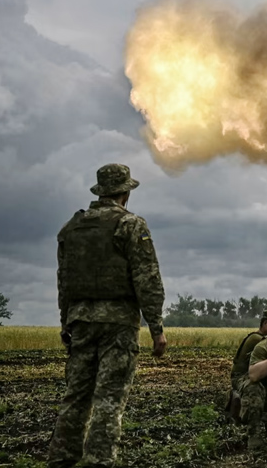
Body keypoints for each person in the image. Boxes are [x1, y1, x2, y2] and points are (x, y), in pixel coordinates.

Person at [47, 163, 167, 468]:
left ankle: (62, 458)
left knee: (76, 395)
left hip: (80, 320)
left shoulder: (71, 229)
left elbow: (64, 281)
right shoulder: (131, 225)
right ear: (125, 192)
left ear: (101, 191)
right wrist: (156, 328)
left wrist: (66, 322)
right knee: (109, 398)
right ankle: (99, 461)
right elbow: (147, 278)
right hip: (118, 323)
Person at [228, 310, 267, 420]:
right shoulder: (257, 339)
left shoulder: (260, 338)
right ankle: (250, 417)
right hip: (240, 376)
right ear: (265, 323)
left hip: (249, 373)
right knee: (255, 388)